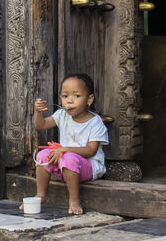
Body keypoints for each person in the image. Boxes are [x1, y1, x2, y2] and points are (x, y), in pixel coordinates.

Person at [30, 73, 109, 215]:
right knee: (43, 155)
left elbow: (91, 150)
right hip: (65, 163)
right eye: (65, 96)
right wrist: (37, 111)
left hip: (90, 167)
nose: (70, 101)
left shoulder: (95, 122)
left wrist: (65, 149)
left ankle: (74, 200)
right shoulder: (62, 115)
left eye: (77, 96)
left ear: (89, 100)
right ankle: (42, 194)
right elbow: (40, 125)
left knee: (68, 157)